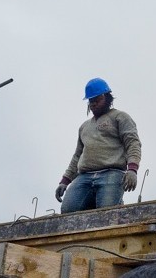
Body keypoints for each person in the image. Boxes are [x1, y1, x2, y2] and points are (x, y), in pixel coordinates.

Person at [55, 78, 142, 213]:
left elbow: (133, 143)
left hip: (111, 173)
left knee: (106, 212)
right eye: (91, 101)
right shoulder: (84, 127)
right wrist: (64, 181)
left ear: (107, 98)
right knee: (68, 210)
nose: (93, 103)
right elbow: (77, 156)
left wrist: (132, 169)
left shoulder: (120, 117)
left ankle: (117, 205)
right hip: (84, 176)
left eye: (97, 99)